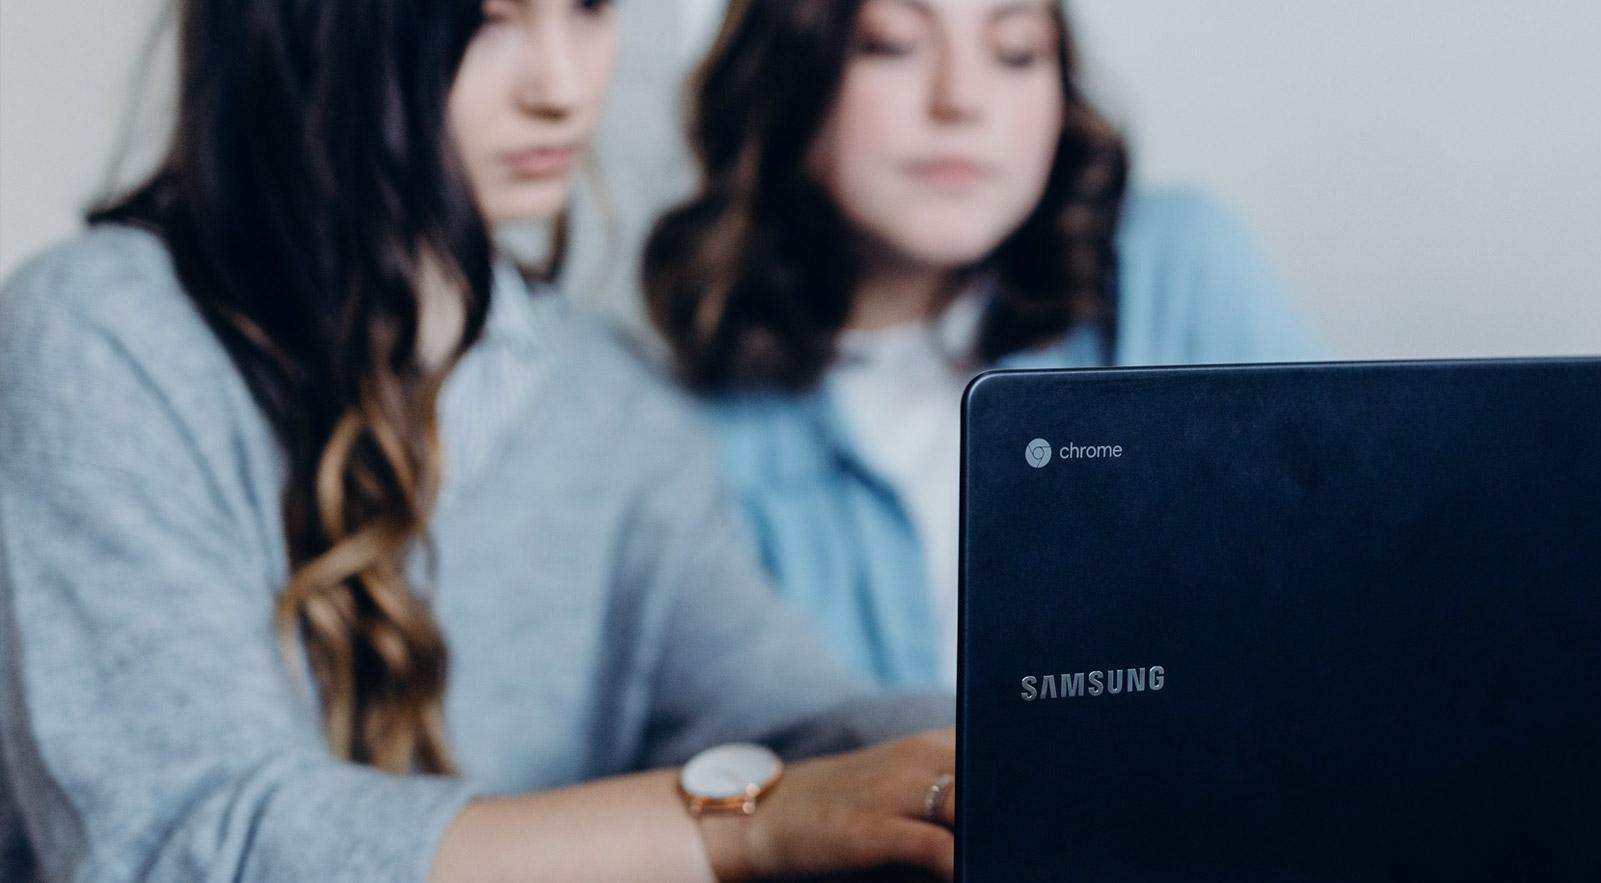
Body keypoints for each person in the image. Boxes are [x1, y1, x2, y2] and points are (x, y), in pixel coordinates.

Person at [0, 0, 958, 880]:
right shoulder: (101, 335)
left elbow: (798, 718)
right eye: (489, 21)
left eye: (586, 8)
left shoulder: (612, 399)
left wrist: (1023, 739)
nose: (562, 87)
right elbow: (192, 840)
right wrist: (743, 823)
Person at [643, 0, 1319, 690]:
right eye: (892, 44)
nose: (961, 100)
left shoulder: (1176, 270)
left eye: (1016, 51)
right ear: (780, 69)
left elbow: (1332, 613)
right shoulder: (677, 426)